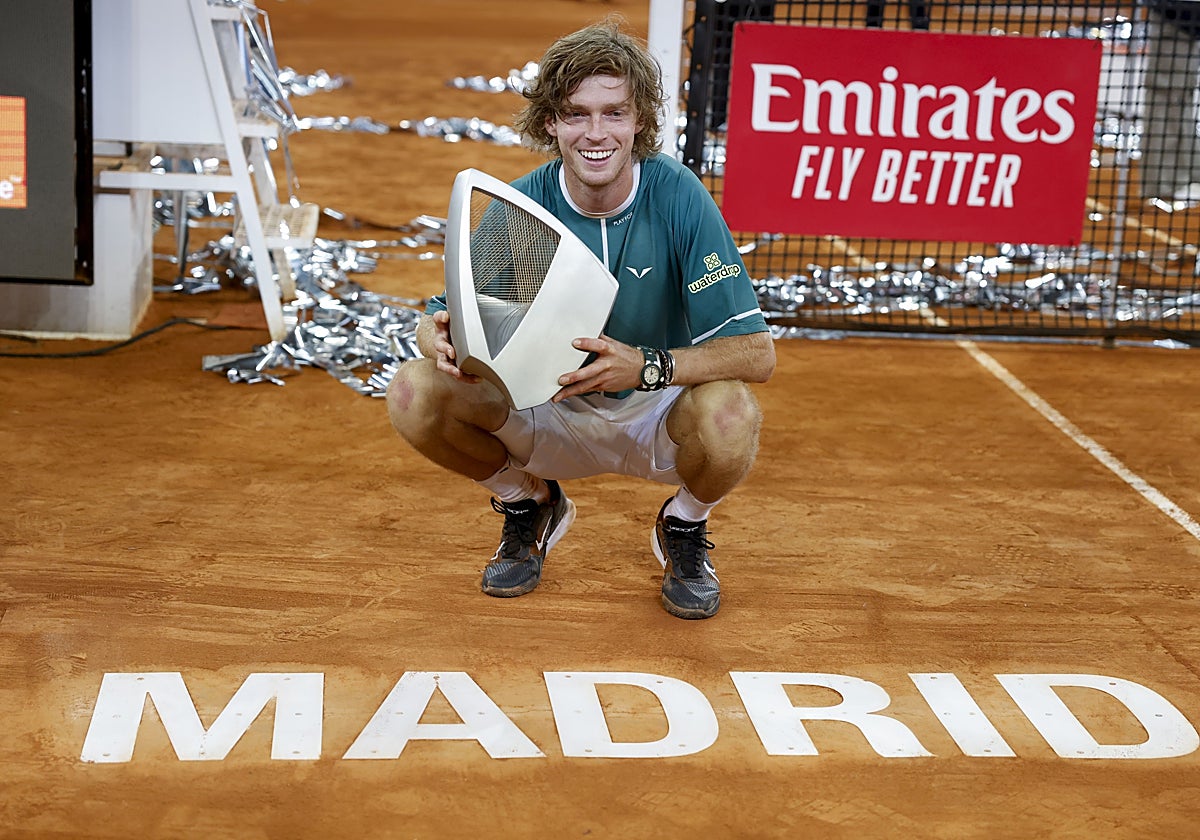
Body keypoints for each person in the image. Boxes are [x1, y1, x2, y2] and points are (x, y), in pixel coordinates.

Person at [386, 19, 775, 620]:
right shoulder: (521, 207)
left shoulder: (678, 196)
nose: (597, 134)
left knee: (730, 412)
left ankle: (684, 524)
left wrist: (648, 366)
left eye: (614, 113)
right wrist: (433, 336)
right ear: (551, 122)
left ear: (640, 120)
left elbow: (756, 353)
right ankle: (528, 503)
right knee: (414, 391)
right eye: (576, 114)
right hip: (545, 410)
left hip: (655, 413)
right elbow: (441, 317)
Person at [1138, 0, 1200, 202]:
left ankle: (1186, 174)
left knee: (1182, 95)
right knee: (1166, 93)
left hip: (1188, 14)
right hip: (1175, 14)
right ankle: (1163, 183)